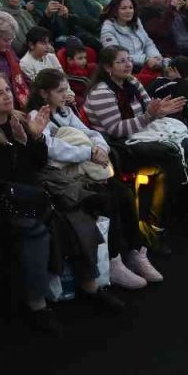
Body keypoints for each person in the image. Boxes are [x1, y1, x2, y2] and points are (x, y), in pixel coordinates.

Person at [0, 73, 121, 337]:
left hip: (29, 194)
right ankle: (37, 303)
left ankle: (91, 284)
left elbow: (38, 164)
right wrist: (23, 142)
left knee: (76, 212)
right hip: (0, 203)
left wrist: (35, 139)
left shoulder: (17, 120)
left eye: (7, 89)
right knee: (34, 227)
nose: (8, 95)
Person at [27, 69, 160, 290]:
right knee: (108, 200)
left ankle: (136, 251)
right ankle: (114, 261)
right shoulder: (35, 116)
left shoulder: (65, 111)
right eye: (60, 91)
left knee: (125, 194)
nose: (65, 94)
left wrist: (100, 148)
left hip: (86, 167)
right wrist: (88, 153)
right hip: (65, 177)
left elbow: (90, 133)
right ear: (43, 93)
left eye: (66, 89)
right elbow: (52, 149)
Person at [82, 46, 188, 238]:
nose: (128, 64)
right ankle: (154, 226)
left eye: (129, 59)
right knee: (172, 157)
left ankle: (180, 210)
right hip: (118, 145)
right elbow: (116, 129)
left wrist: (159, 111)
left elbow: (148, 109)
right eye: (121, 61)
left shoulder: (132, 82)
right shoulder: (101, 92)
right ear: (106, 66)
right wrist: (150, 116)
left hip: (140, 135)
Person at [99, 0, 163, 73]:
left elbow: (148, 43)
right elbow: (115, 55)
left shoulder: (136, 22)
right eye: (123, 8)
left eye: (131, 8)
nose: (128, 11)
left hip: (148, 63)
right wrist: (146, 60)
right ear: (115, 11)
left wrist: (155, 57)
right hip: (128, 69)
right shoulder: (108, 29)